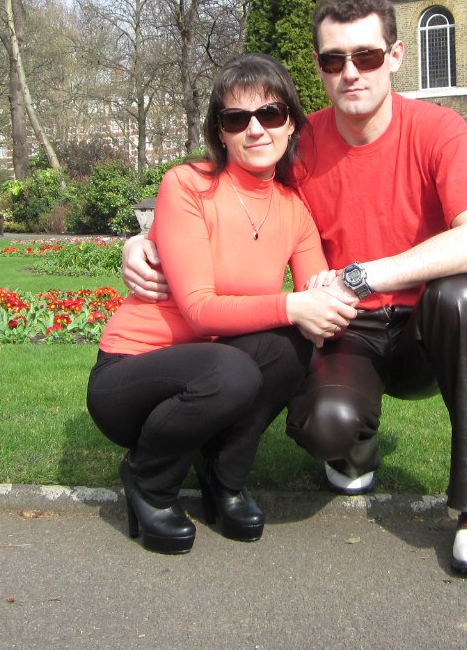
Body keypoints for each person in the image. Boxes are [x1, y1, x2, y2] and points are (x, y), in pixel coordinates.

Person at [124, 0, 467, 576]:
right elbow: (222, 177)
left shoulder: (439, 130)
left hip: (425, 333)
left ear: (396, 56)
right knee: (324, 426)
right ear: (319, 67)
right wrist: (139, 241)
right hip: (344, 328)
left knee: (462, 297)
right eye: (334, 60)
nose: (351, 72)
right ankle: (354, 446)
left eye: (367, 56)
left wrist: (366, 274)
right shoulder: (298, 142)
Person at [88, 53, 359, 556]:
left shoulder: (294, 210)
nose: (255, 129)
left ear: (291, 123)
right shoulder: (187, 185)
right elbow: (197, 308)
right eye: (237, 119)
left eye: (270, 114)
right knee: (234, 367)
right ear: (221, 132)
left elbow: (316, 306)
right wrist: (295, 304)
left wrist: (328, 301)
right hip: (133, 374)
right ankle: (149, 480)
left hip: (213, 376)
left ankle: (223, 477)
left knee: (291, 348)